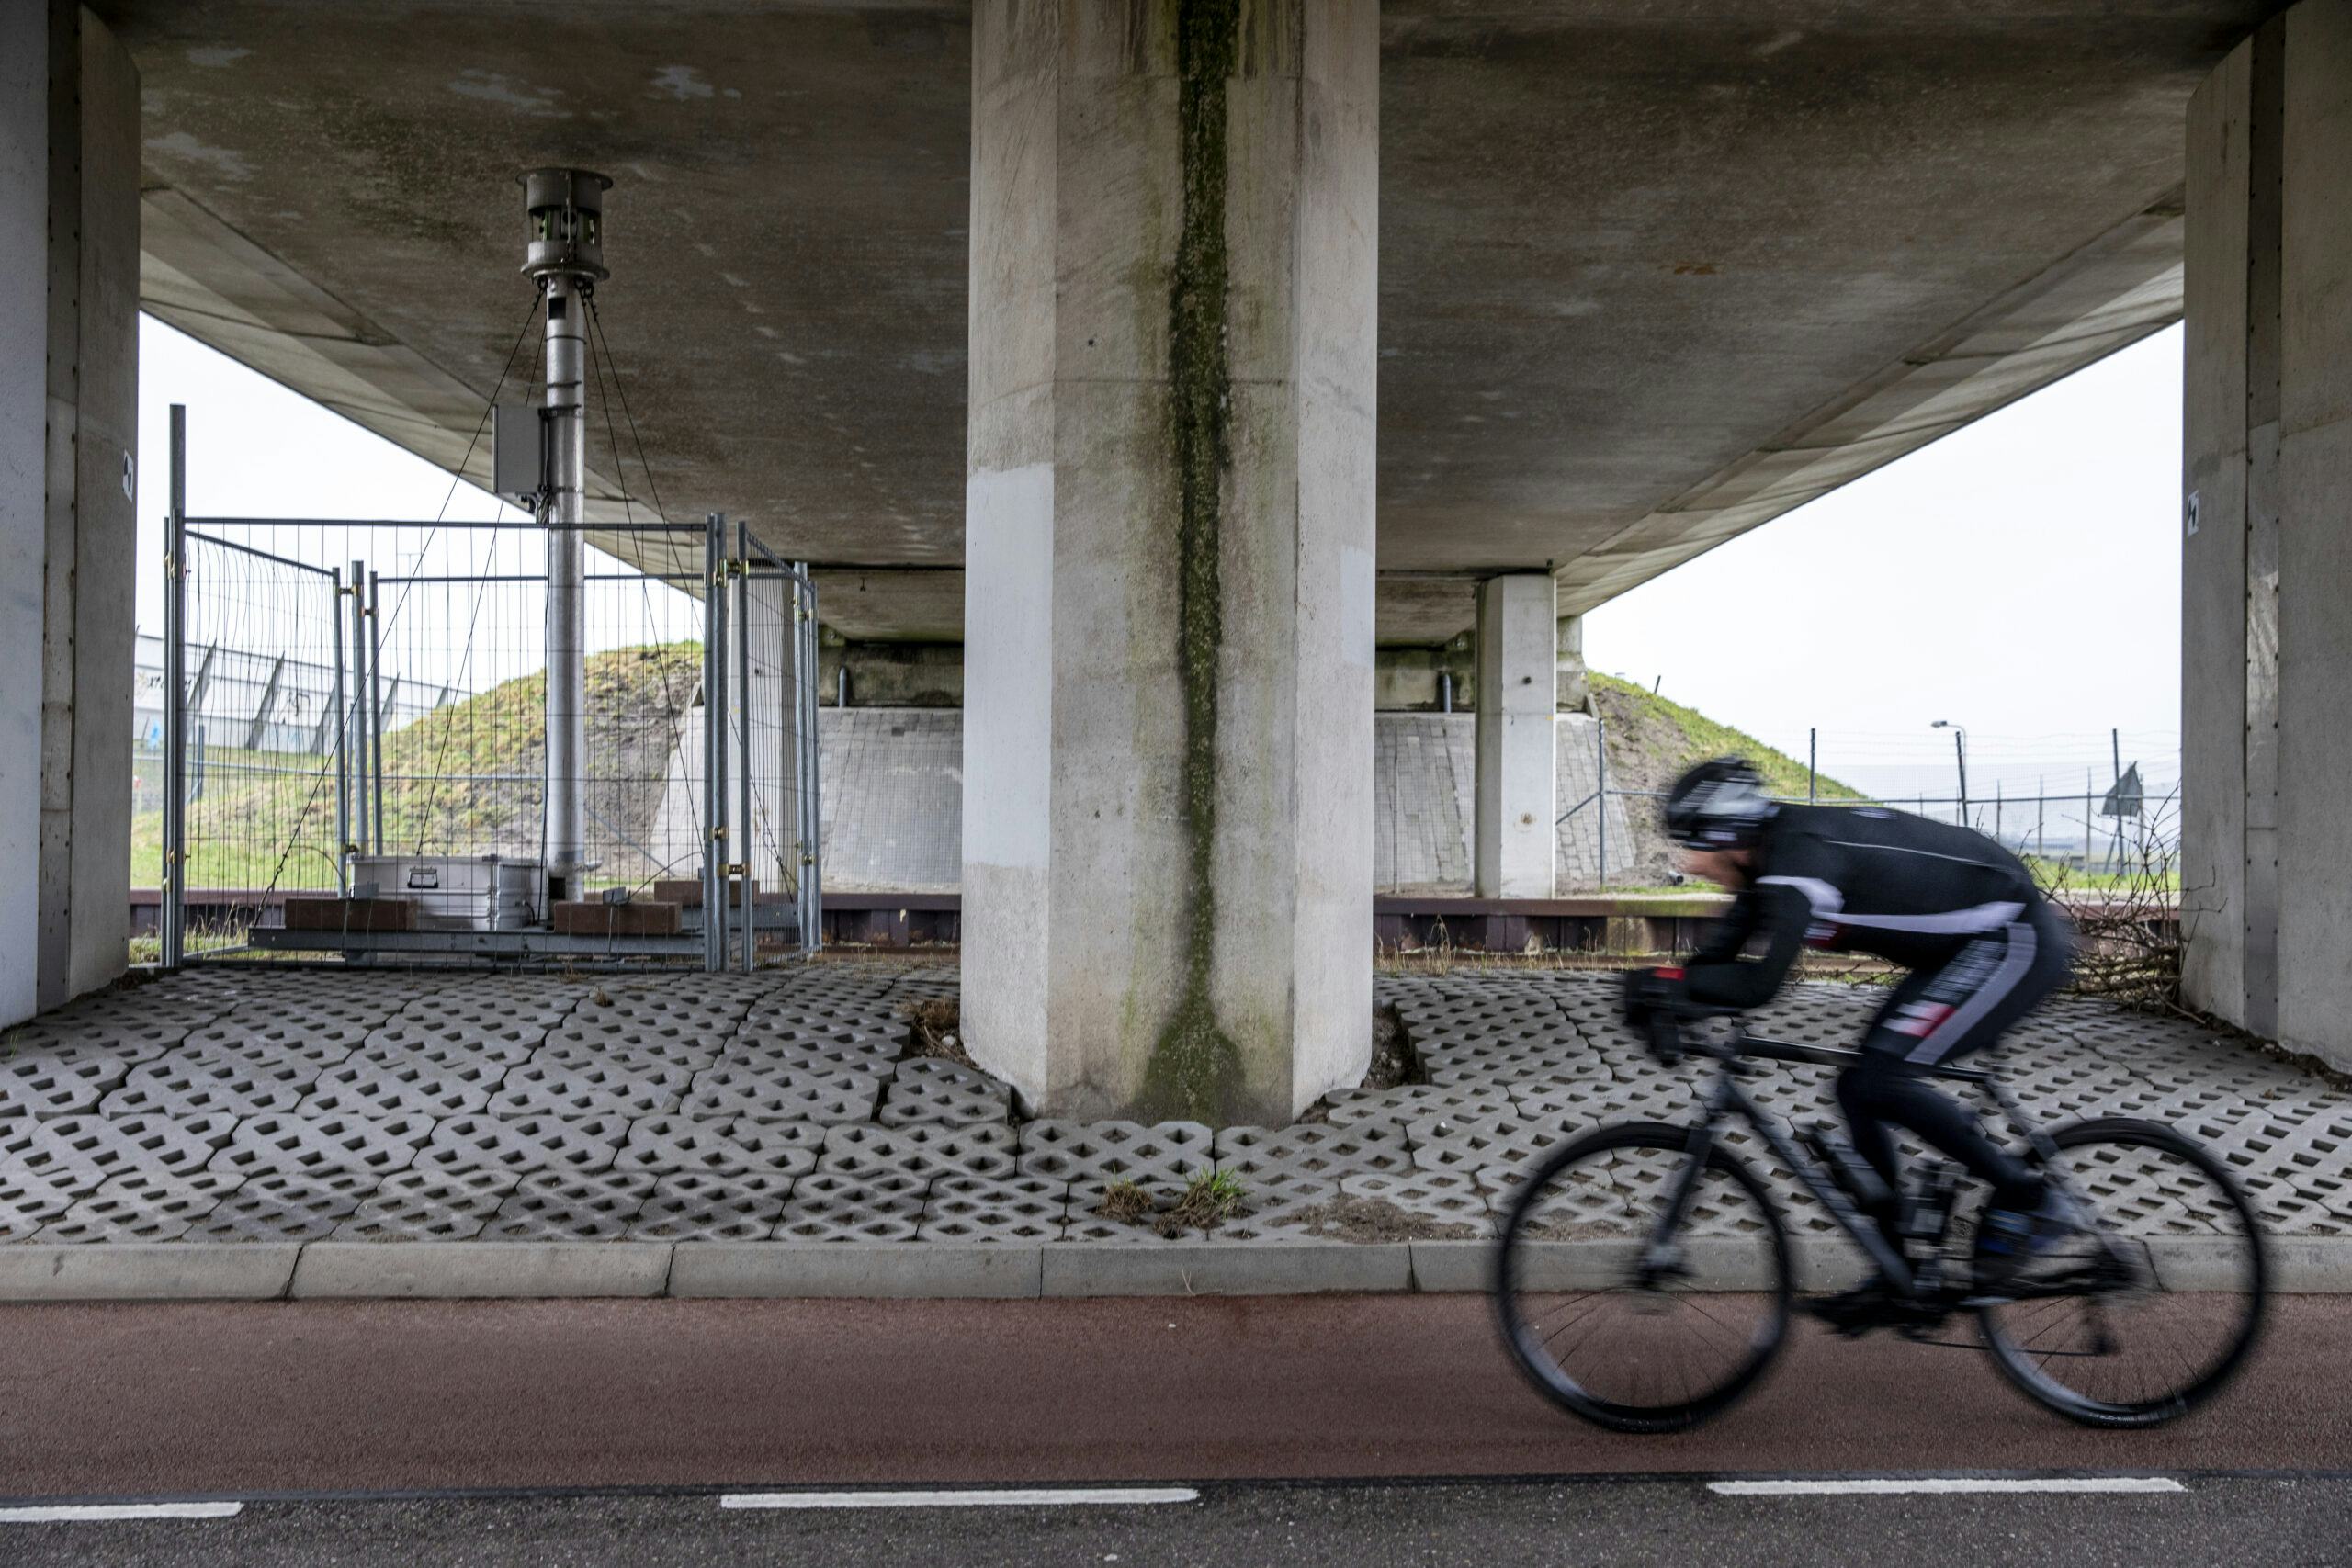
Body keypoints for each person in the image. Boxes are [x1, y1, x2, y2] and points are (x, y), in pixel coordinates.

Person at [1623, 757, 2079, 1320]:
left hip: (2011, 940)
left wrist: (1668, 989)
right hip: (1959, 952)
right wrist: (1668, 994)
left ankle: (2030, 1197)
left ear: (1727, 836)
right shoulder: (1769, 865)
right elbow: (1715, 962)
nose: (1689, 863)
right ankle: (1897, 1270)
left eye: (1693, 846)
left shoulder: (1797, 863)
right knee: (1858, 1086)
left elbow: (1761, 984)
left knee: (1883, 1076)